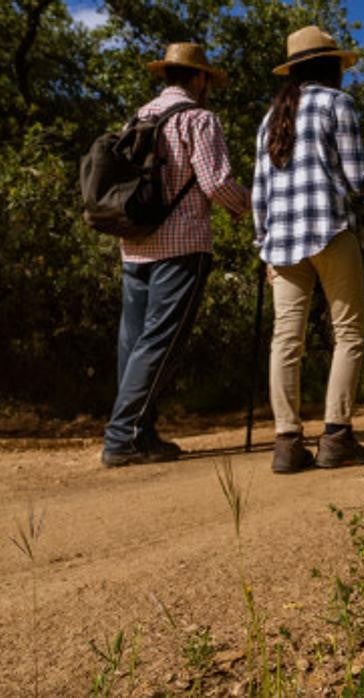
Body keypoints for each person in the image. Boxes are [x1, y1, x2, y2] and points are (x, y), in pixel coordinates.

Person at [252, 25, 364, 474]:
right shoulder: (338, 104)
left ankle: (286, 441)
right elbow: (358, 179)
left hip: (281, 243)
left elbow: (260, 191)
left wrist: (263, 248)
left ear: (295, 70)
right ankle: (336, 436)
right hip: (331, 232)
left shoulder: (271, 117)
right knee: (349, 333)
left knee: (286, 340)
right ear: (332, 65)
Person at [101, 43, 250, 468]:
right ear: (199, 78)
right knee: (160, 341)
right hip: (181, 245)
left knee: (133, 342)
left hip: (134, 242)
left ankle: (140, 432)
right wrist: (250, 204)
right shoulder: (199, 119)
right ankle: (121, 437)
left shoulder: (140, 115)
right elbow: (216, 183)